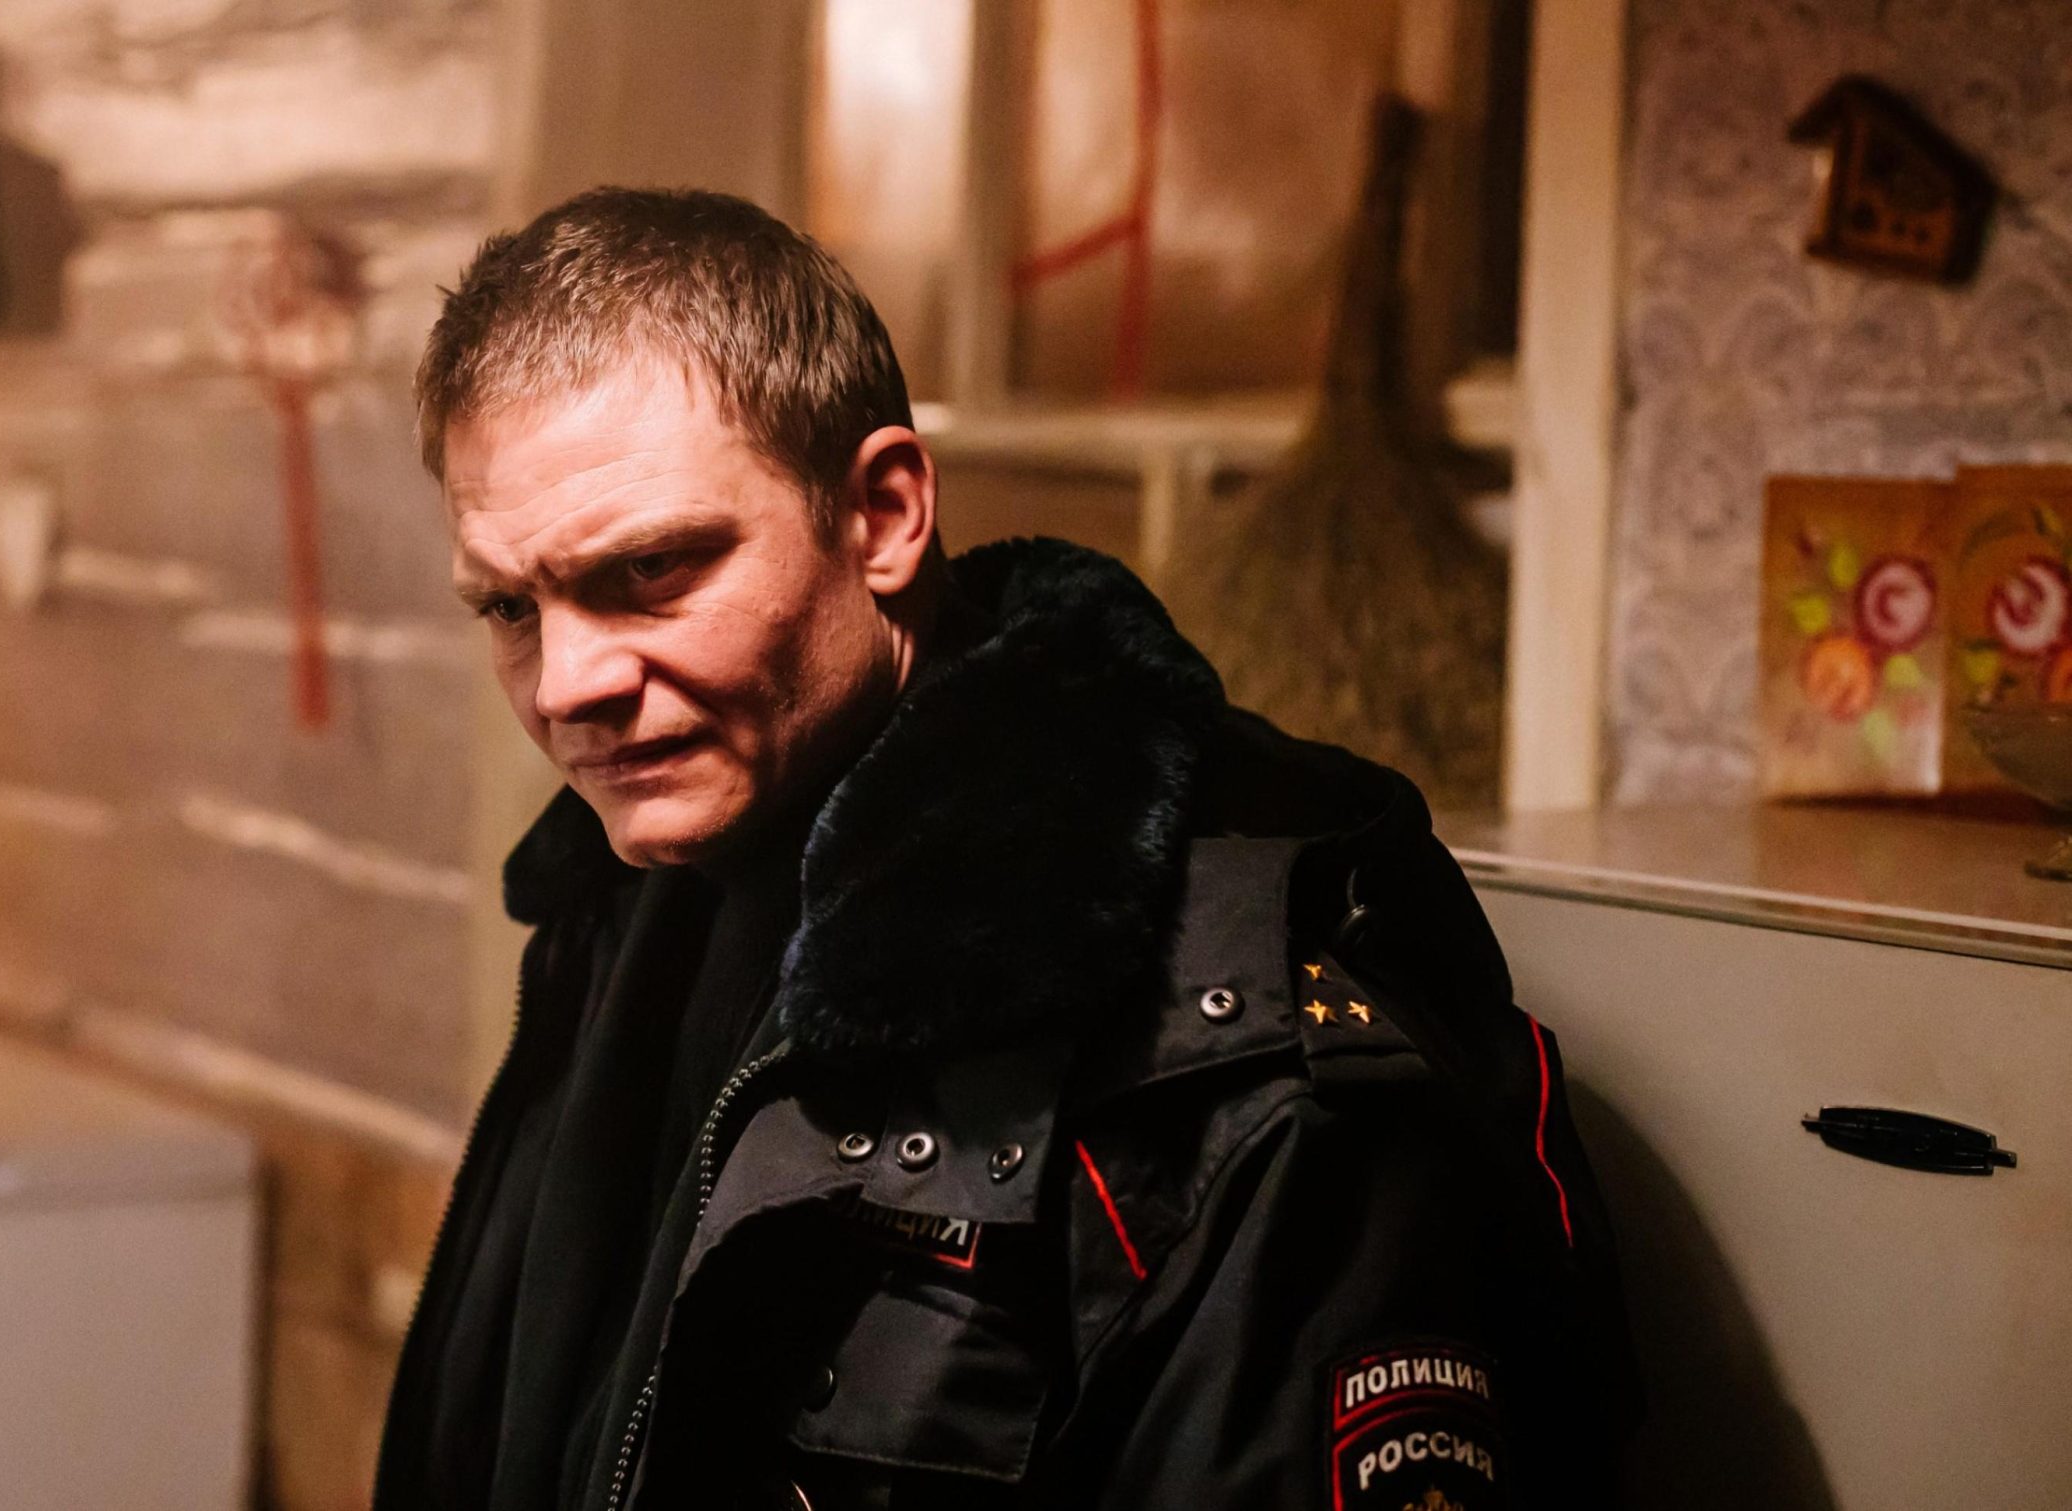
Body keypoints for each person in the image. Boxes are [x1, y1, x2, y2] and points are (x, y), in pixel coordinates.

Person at [373, 187, 1637, 1511]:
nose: (565, 684)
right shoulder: (620, 899)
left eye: (651, 571)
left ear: (882, 516)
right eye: (509, 607)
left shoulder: (1228, 1059)